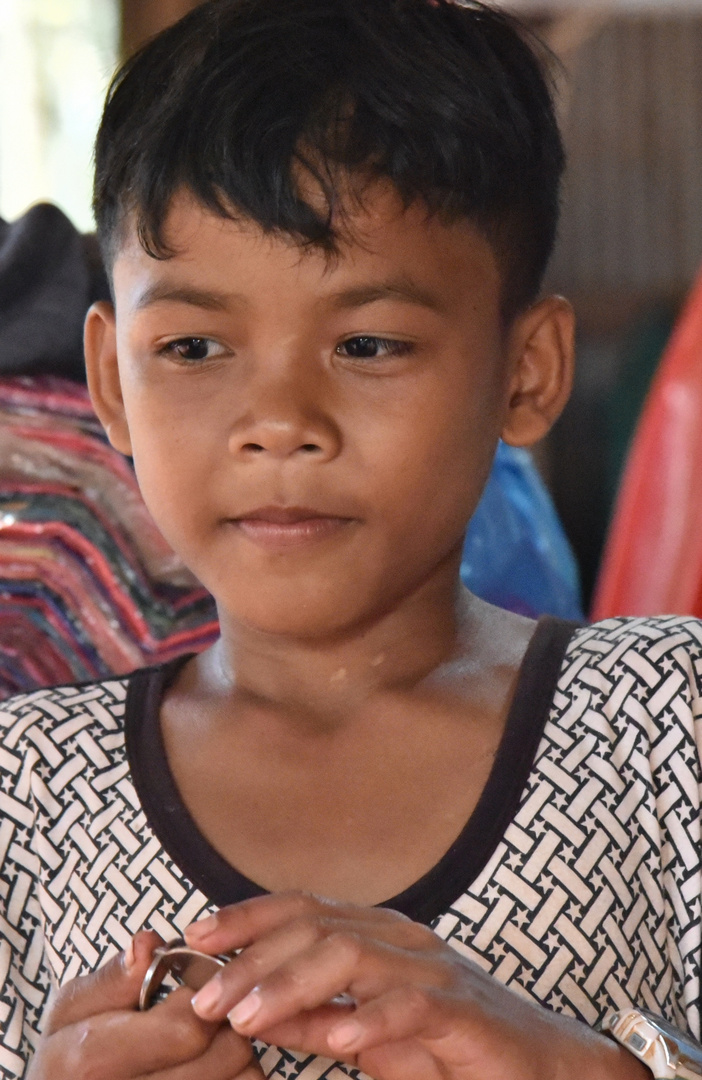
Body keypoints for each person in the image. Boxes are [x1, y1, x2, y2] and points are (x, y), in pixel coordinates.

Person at [0, 1, 697, 1077]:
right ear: (110, 382)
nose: (280, 420)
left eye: (368, 342)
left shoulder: (667, 727)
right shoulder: (28, 792)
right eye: (192, 345)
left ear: (529, 370)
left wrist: (587, 1069)